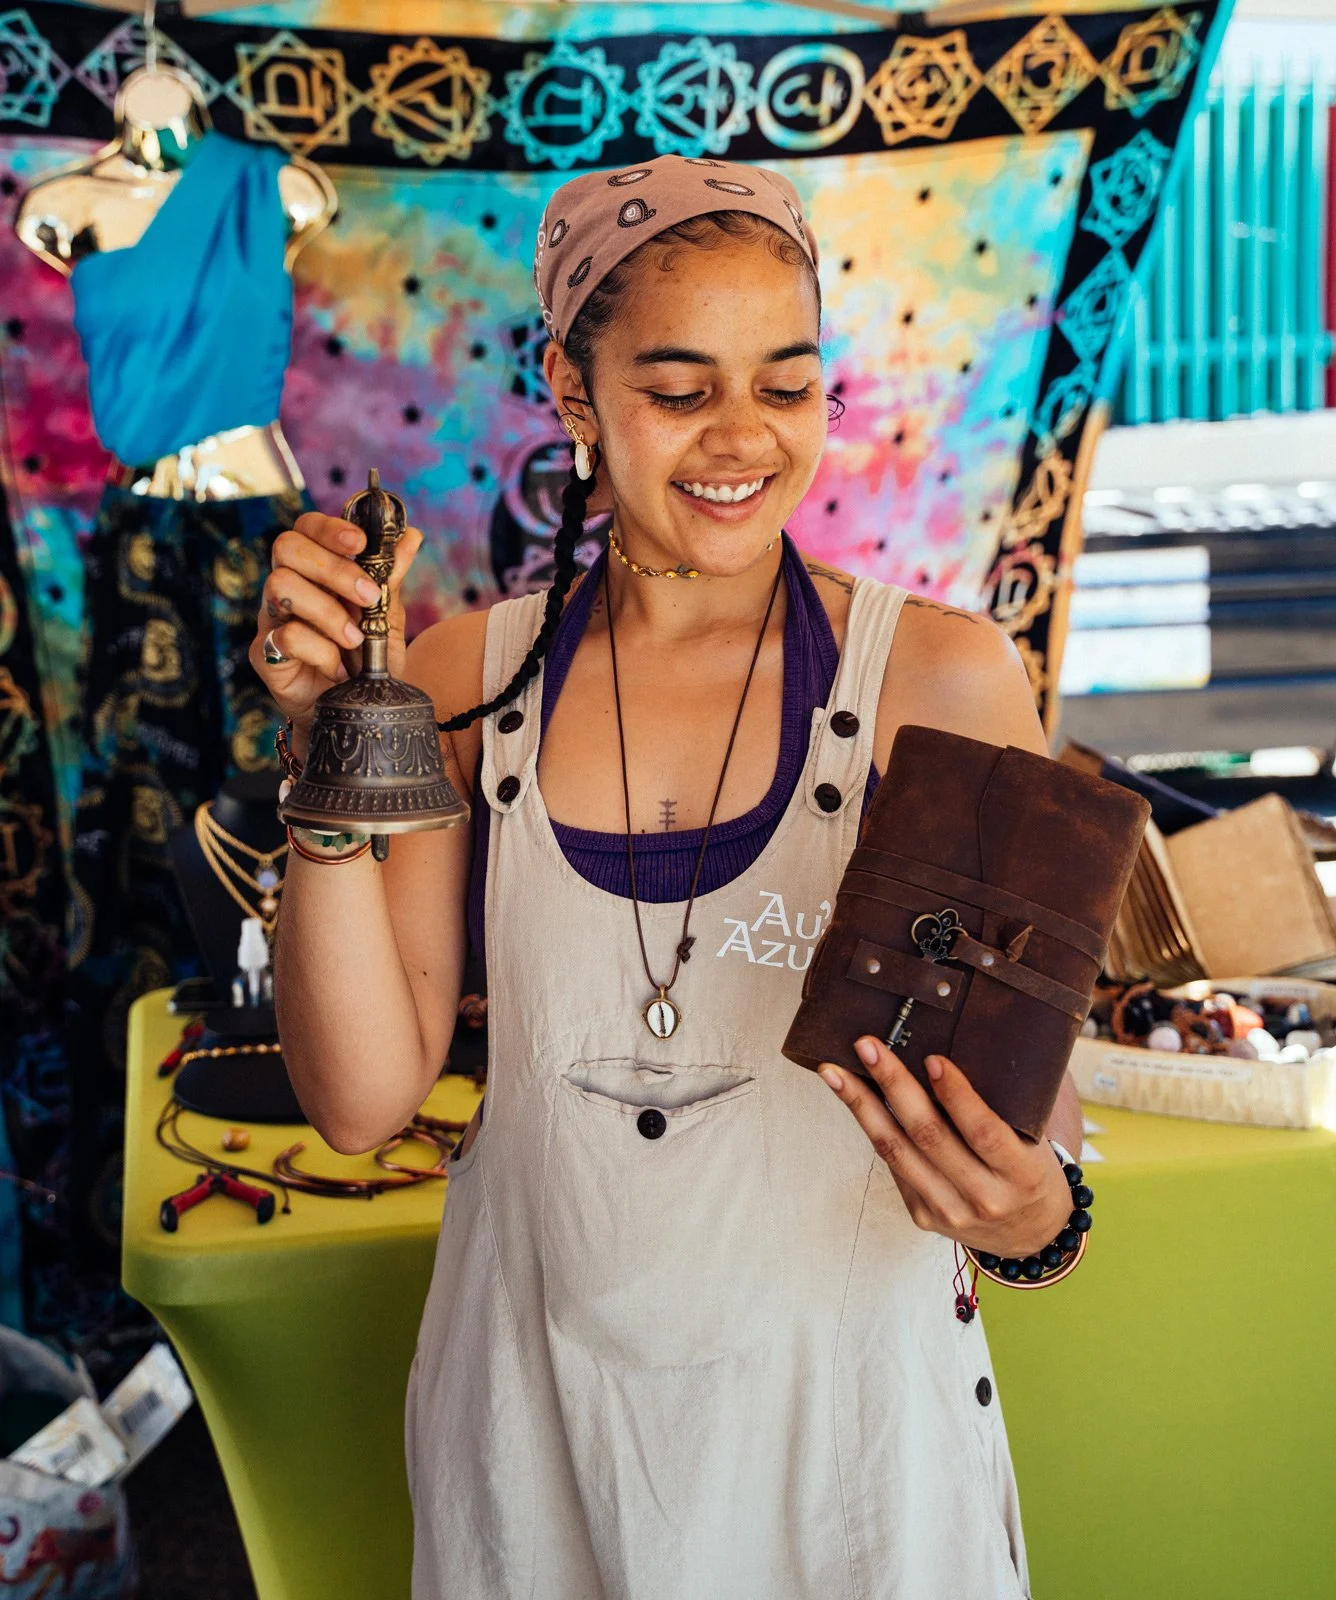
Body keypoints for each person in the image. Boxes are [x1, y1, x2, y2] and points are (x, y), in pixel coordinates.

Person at [251, 154, 1082, 1600]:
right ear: (576, 399)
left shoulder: (938, 681)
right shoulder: (461, 682)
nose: (741, 436)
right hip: (537, 1428)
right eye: (679, 388)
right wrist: (328, 759)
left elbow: (1031, 1136)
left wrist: (1032, 1223)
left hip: (853, 1453)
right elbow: (359, 1101)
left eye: (788, 382)